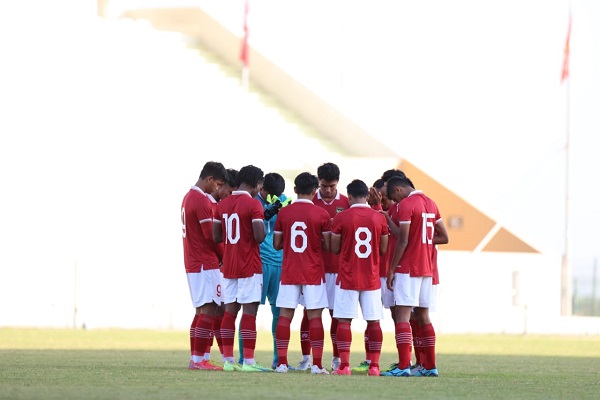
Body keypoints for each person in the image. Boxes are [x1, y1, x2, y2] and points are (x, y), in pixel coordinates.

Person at [381, 176, 449, 377]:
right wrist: (422, 242)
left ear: (399, 190)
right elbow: (444, 237)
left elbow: (402, 240)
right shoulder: (431, 203)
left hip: (408, 267)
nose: (395, 201)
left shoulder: (406, 204)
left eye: (394, 196)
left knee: (402, 315)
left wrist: (392, 269)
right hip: (427, 269)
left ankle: (403, 367)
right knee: (423, 316)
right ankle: (430, 367)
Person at [272, 172, 332, 375]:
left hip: (290, 270)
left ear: (295, 190)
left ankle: (281, 363)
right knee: (315, 317)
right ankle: (316, 365)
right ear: (315, 191)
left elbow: (277, 244)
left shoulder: (284, 213)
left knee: (285, 317)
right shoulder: (322, 214)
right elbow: (329, 244)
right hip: (313, 271)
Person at [213, 165, 271, 372]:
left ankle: (228, 361)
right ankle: (249, 361)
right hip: (249, 266)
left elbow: (216, 236)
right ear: (256, 183)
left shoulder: (223, 204)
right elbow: (259, 237)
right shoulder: (254, 205)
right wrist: (263, 220)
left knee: (229, 312)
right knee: (249, 312)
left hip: (229, 265)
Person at [330, 179, 389, 376]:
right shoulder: (379, 218)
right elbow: (382, 249)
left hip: (348, 276)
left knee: (344, 321)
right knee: (373, 322)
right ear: (367, 196)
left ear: (349, 196)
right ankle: (374, 366)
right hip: (371, 277)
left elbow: (335, 248)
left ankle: (344, 366)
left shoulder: (342, 217)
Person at [237, 172, 292, 369]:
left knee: (280, 313)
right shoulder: (252, 202)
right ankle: (245, 358)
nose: (277, 198)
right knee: (249, 311)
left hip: (279, 262)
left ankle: (279, 360)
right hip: (258, 263)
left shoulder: (283, 199)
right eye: (272, 194)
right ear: (262, 189)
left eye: (279, 195)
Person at [181, 161, 228, 370]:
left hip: (194, 261)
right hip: (204, 262)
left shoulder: (188, 198)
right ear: (209, 180)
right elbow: (211, 237)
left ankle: (197, 357)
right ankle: (199, 360)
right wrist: (226, 256)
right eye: (217, 184)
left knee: (201, 311)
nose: (218, 189)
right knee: (209, 309)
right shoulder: (200, 201)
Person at [303, 161, 350, 371]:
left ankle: (337, 358)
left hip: (338, 268)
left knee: (336, 314)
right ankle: (306, 358)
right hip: (314, 268)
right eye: (324, 186)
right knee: (309, 313)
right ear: (318, 183)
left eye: (331, 186)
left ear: (337, 183)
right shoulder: (310, 201)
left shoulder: (347, 202)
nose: (328, 190)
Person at [204, 168, 238, 364]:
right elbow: (212, 238)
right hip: (216, 263)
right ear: (221, 185)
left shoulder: (220, 205)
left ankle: (221, 356)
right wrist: (225, 256)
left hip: (222, 262)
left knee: (219, 308)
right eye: (229, 191)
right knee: (214, 309)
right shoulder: (215, 206)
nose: (231, 196)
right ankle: (205, 356)